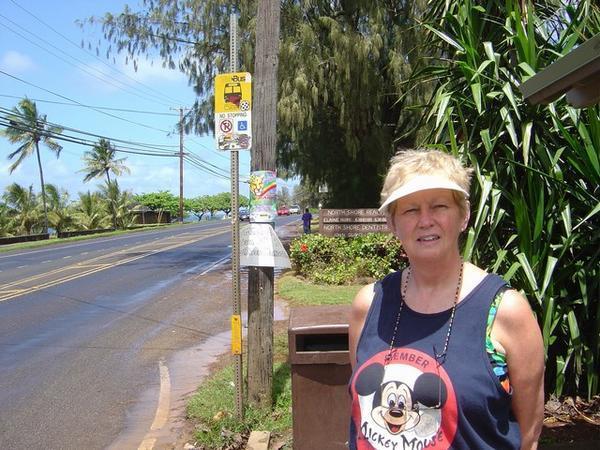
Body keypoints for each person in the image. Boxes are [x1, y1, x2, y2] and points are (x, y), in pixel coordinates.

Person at [348, 149, 544, 449]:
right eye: (410, 210)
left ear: (463, 215)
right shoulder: (370, 304)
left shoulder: (505, 311)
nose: (425, 220)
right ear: (392, 223)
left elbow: (529, 436)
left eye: (439, 206)